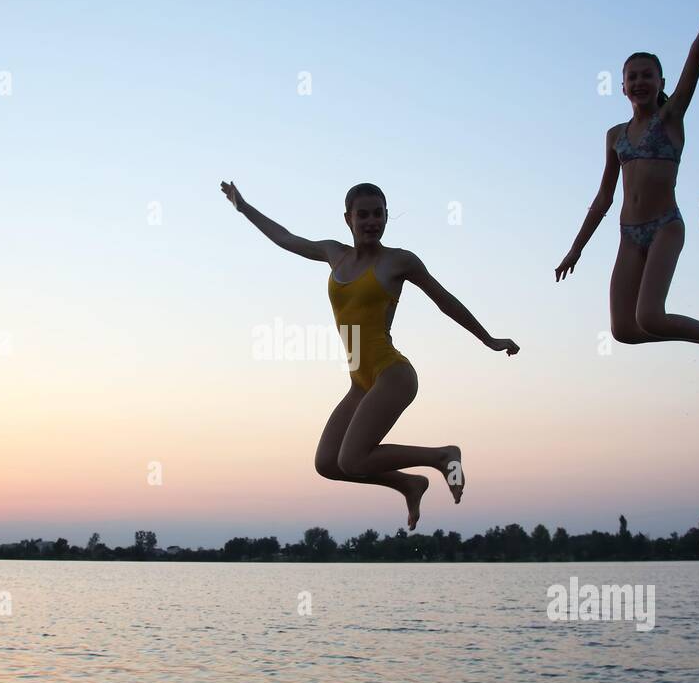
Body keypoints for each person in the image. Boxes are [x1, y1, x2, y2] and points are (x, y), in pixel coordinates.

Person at [222, 180, 519, 528]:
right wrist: (244, 207)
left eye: (378, 214)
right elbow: (286, 238)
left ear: (387, 217)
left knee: (353, 459)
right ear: (348, 219)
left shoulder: (399, 261)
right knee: (328, 463)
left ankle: (442, 456)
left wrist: (489, 339)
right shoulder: (335, 254)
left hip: (391, 374)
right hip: (359, 382)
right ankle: (408, 483)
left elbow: (445, 301)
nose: (371, 221)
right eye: (363, 215)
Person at [555, 0, 699, 369]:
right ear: (622, 86)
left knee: (650, 315)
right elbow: (602, 199)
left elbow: (697, 51)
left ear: (661, 83)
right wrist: (575, 250)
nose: (639, 81)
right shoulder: (615, 136)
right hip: (629, 233)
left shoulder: (671, 119)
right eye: (632, 76)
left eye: (647, 75)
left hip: (665, 227)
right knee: (625, 330)